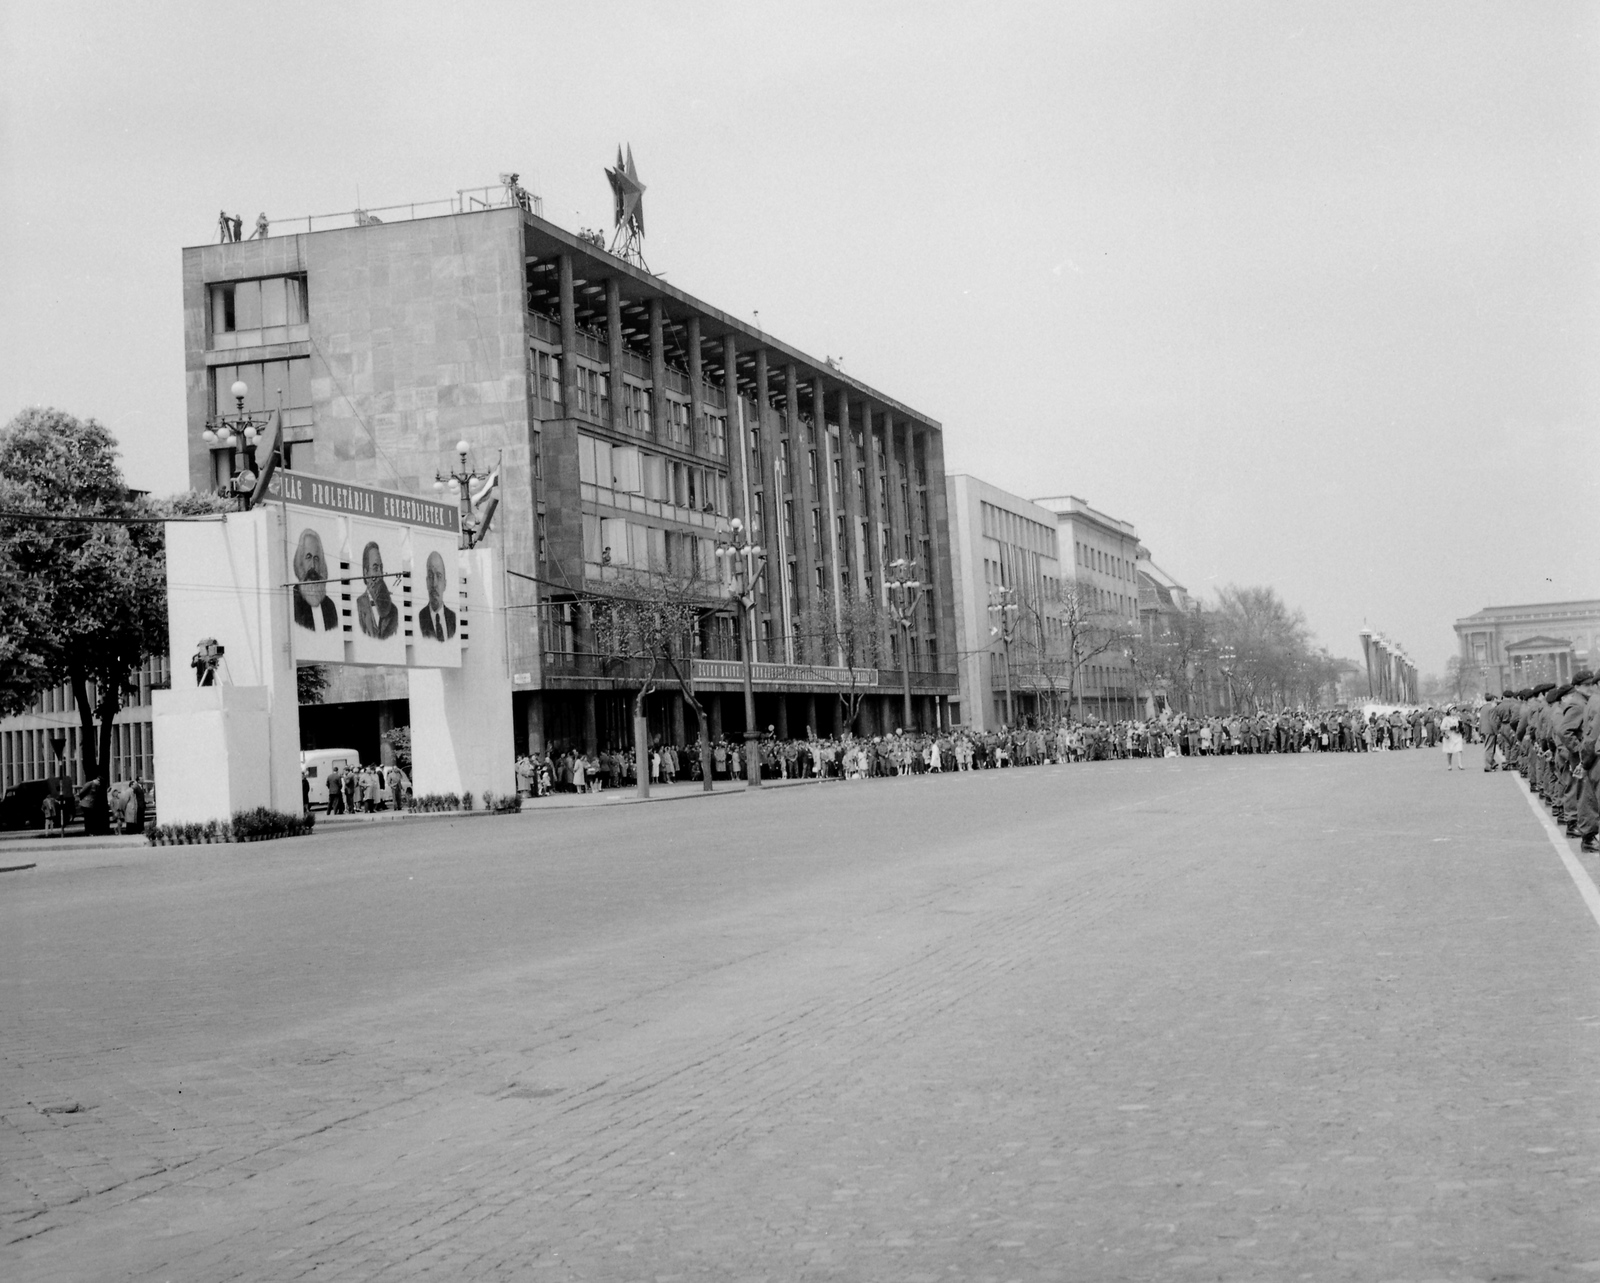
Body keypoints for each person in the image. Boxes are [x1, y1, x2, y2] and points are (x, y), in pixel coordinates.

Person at [292, 528, 339, 632]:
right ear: (300, 562)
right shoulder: (291, 601)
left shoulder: (329, 606)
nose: (313, 565)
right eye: (308, 557)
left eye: (316, 558)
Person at [355, 541, 399, 639]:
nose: (380, 573)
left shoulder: (393, 611)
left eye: (381, 568)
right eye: (375, 568)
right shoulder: (358, 605)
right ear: (365, 573)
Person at [418, 551, 457, 640]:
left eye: (439, 576)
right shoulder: (420, 617)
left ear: (445, 584)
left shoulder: (452, 618)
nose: (434, 583)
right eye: (431, 576)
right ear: (427, 582)